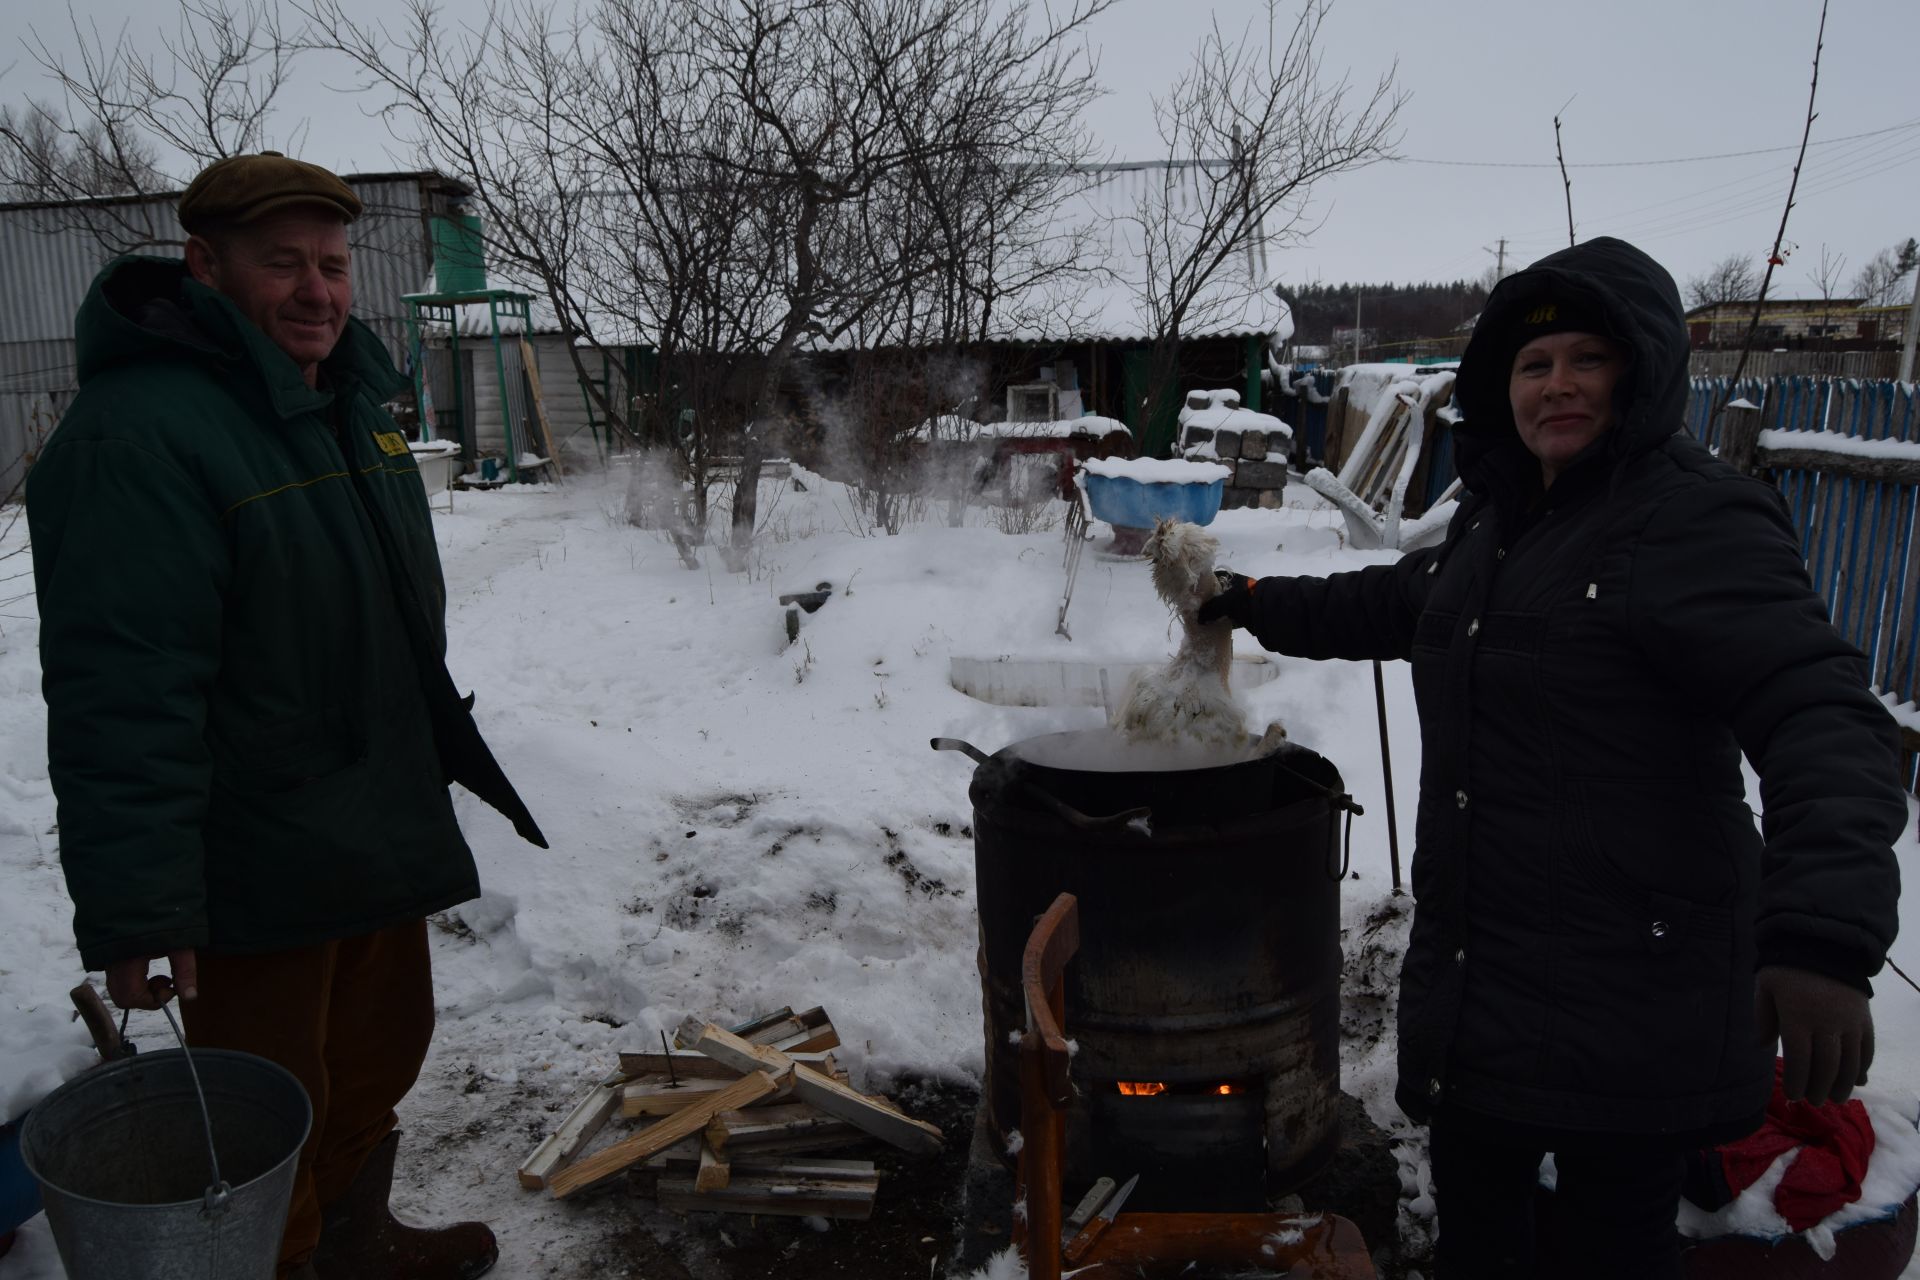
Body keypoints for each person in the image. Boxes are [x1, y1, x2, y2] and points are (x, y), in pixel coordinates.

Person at [1200, 236, 1904, 1279]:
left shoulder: (1695, 517)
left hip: (1637, 1004)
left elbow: (1822, 710)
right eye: (1534, 366)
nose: (1558, 385)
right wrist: (1254, 603)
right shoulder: (1504, 518)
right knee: (1480, 1241)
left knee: (1607, 1252)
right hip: (1487, 986)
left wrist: (1823, 935)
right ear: (1502, 387)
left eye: (1588, 357)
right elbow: (1400, 601)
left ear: (1643, 369)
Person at [28, 152, 547, 1280]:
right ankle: (290, 1260)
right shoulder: (141, 436)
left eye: (332, 263)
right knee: (270, 1107)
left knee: (376, 1054)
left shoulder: (342, 402)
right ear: (204, 267)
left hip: (364, 812)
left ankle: (355, 1236)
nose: (317, 290)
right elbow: (124, 687)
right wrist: (138, 904)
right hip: (250, 856)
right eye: (283, 265)